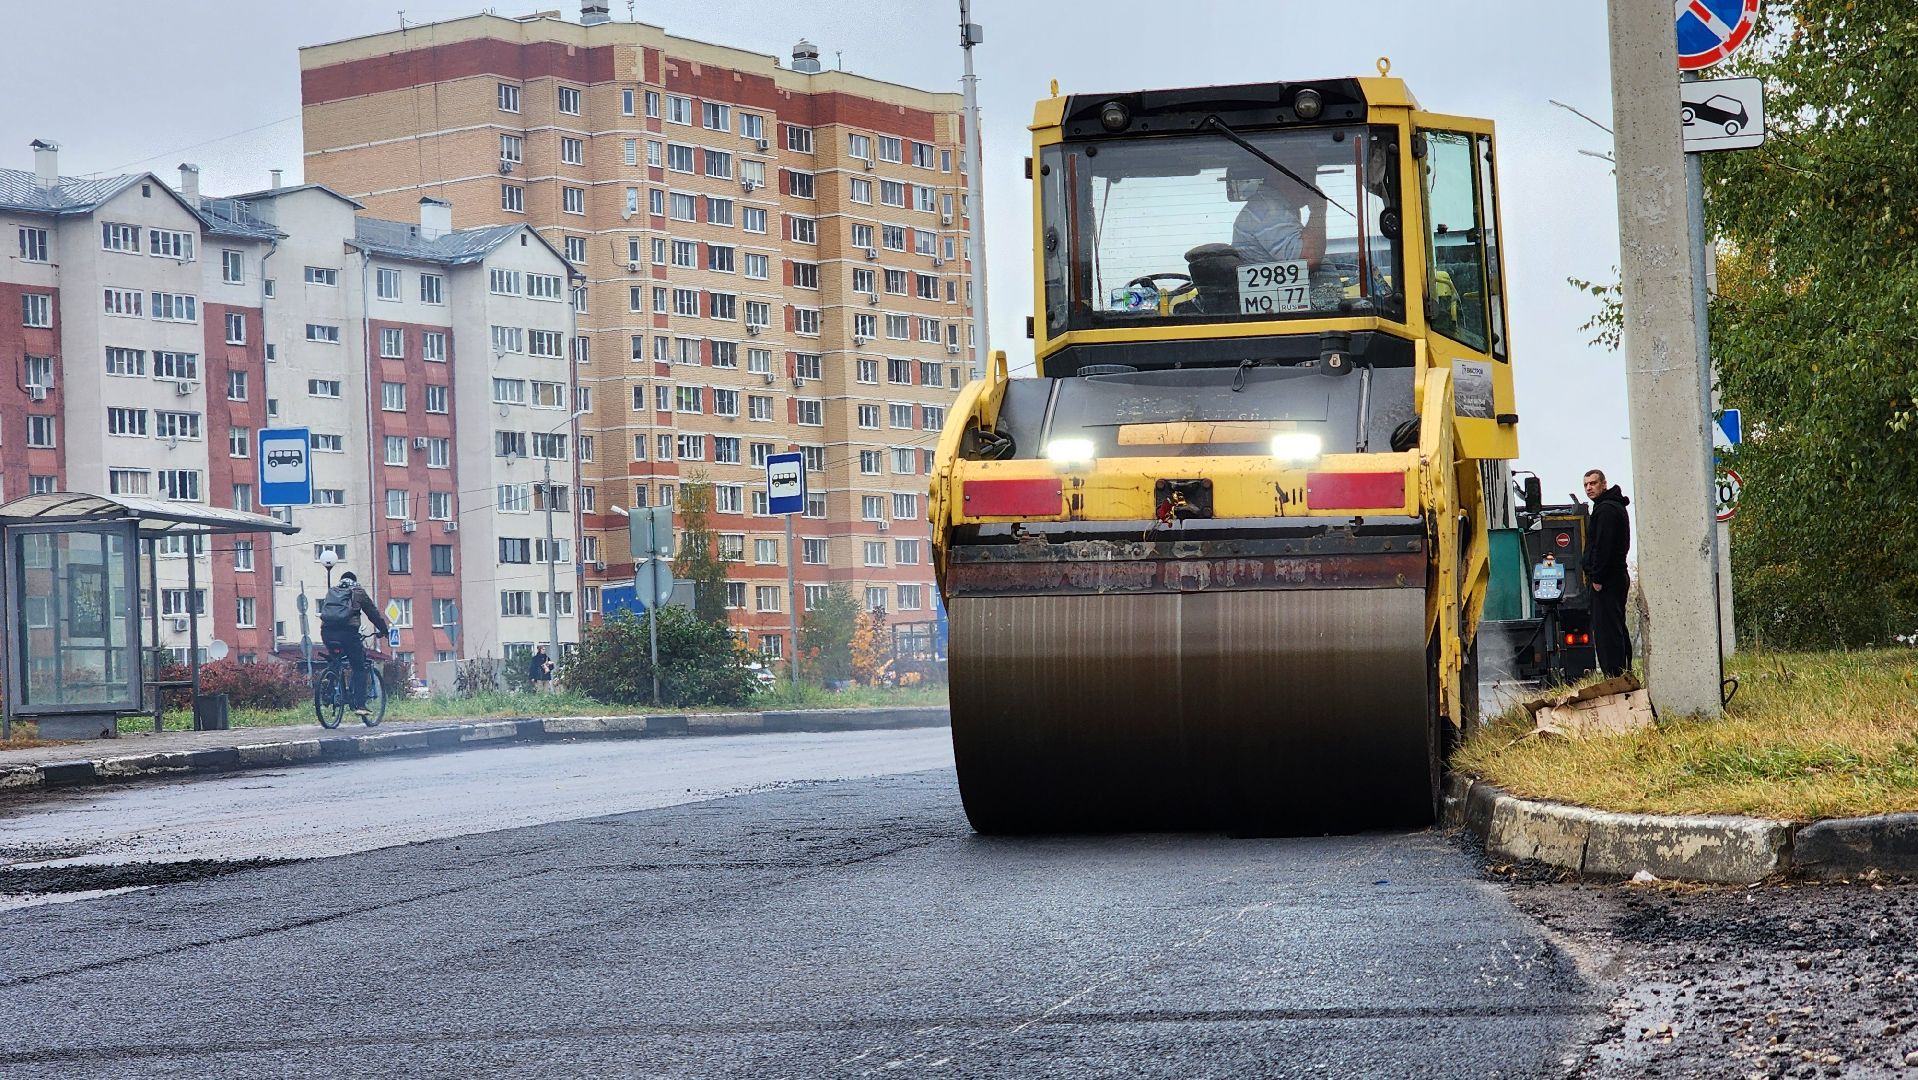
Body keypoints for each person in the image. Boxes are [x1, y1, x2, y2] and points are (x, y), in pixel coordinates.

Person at [1579, 470, 1633, 677]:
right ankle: (1622, 672)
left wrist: (1598, 577)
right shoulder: (1611, 507)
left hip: (1608, 579)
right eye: (1586, 485)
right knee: (1616, 626)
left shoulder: (1606, 510)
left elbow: (1603, 546)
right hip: (1616, 576)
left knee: (1607, 631)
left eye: (1593, 483)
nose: (1589, 488)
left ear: (1604, 484)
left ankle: (1614, 675)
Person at [1230, 160, 1328, 269]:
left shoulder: (1274, 205)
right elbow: (1308, 261)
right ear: (1279, 175)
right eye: (1304, 174)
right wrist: (1318, 210)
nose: (1311, 185)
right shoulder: (1268, 211)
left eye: (1312, 174)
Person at [318, 571, 390, 716]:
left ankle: (328, 686)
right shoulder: (358, 592)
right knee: (359, 666)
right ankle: (360, 704)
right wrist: (384, 630)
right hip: (348, 634)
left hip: (327, 632)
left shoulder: (332, 592)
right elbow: (372, 613)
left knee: (335, 660)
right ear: (354, 580)